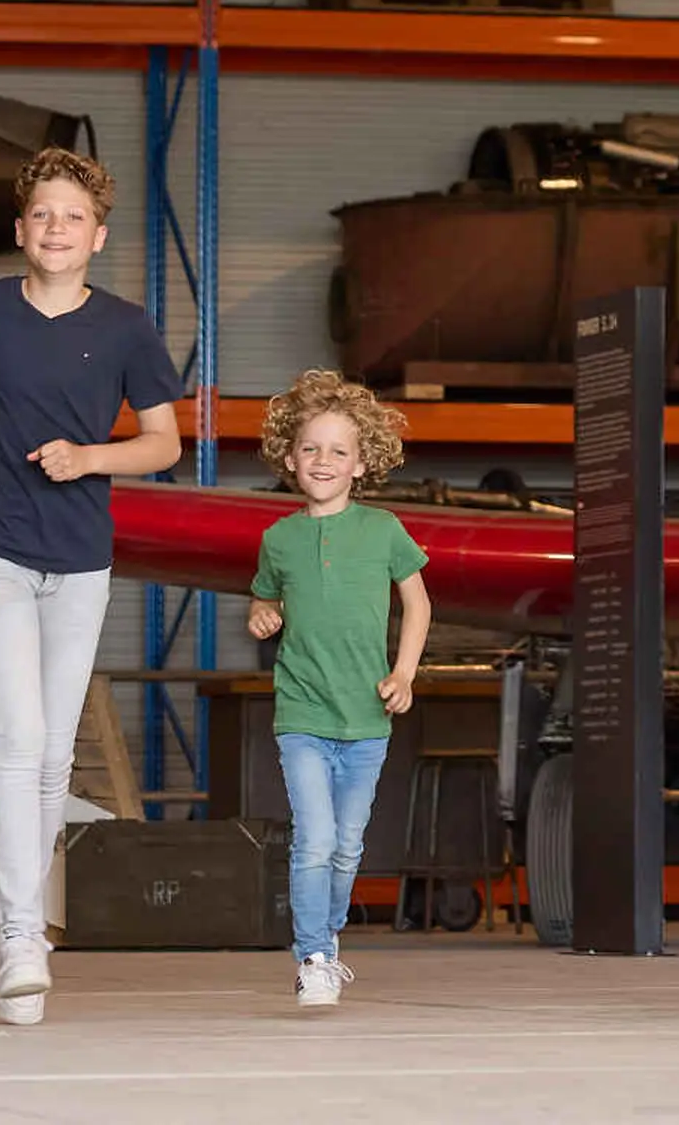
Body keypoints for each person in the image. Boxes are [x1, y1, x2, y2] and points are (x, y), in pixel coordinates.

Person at [0, 147, 185, 1027]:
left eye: (72, 217)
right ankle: (25, 937)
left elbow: (164, 444)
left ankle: (12, 921)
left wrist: (90, 458)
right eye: (42, 215)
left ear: (97, 236)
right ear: (20, 229)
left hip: (80, 557)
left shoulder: (127, 329)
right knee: (21, 733)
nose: (56, 229)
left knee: (55, 754)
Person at [242, 370, 432, 1013]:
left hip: (367, 719)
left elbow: (418, 603)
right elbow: (264, 601)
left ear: (361, 464)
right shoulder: (279, 539)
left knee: (348, 845)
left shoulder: (383, 531)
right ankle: (314, 957)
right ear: (289, 458)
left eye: (338, 451)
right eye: (311, 449)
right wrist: (260, 615)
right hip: (301, 713)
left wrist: (404, 672)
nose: (323, 461)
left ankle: (328, 941)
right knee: (314, 839)